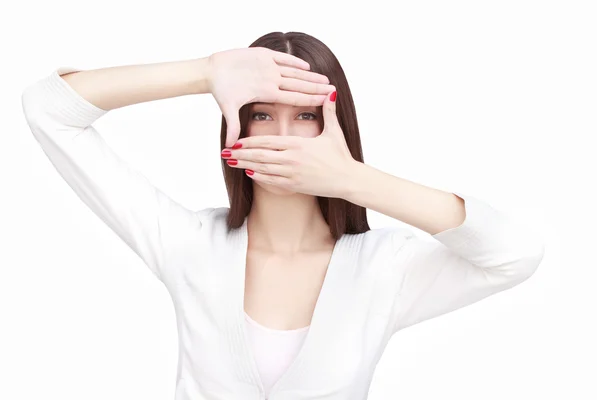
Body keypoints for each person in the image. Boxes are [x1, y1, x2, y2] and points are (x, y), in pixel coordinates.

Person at [21, 31, 545, 400]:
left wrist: (352, 180)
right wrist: (206, 73)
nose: (282, 137)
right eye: (262, 114)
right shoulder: (188, 244)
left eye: (306, 117)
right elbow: (49, 108)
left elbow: (514, 255)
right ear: (236, 125)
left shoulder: (386, 269)